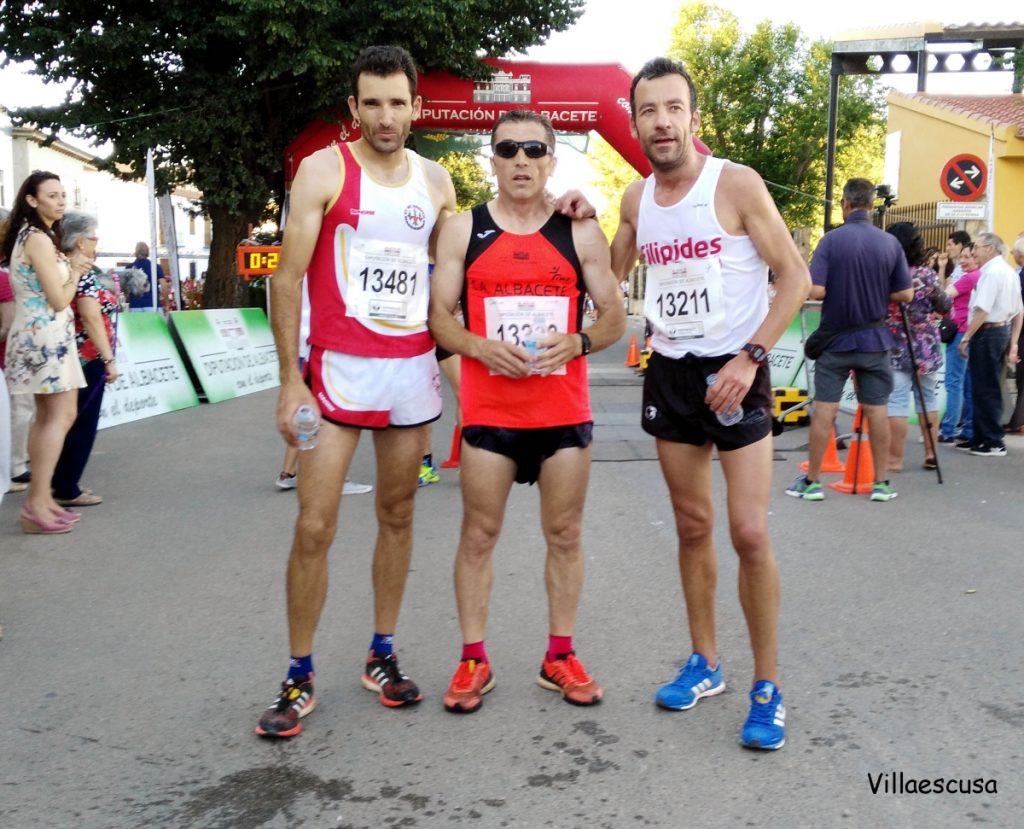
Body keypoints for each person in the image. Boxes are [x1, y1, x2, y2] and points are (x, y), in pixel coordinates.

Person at [254, 45, 458, 738]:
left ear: (417, 108)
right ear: (353, 108)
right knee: (315, 523)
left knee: (398, 513)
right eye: (371, 102)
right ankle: (299, 669)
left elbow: (452, 285)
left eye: (397, 102)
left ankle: (381, 651)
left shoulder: (437, 183)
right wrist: (289, 381)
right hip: (336, 369)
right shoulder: (323, 170)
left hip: (408, 372)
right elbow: (285, 279)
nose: (385, 115)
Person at [610, 58, 811, 750]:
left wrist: (750, 355)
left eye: (673, 108)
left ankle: (767, 684)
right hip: (671, 374)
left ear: (694, 118)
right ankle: (705, 662)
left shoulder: (736, 183)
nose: (661, 121)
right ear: (634, 121)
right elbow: (607, 274)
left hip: (737, 372)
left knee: (748, 531)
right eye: (648, 110)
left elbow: (793, 276)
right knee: (692, 525)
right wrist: (577, 216)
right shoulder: (636, 199)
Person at [430, 109, 626, 714]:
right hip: (491, 415)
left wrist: (581, 342)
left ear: (551, 160)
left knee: (564, 534)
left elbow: (615, 317)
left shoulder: (581, 231)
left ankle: (559, 655)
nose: (521, 161)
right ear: (490, 159)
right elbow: (437, 318)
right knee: (478, 536)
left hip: (561, 413)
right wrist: (479, 346)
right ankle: (472, 660)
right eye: (508, 150)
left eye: (534, 151)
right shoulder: (463, 229)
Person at [788, 177, 912, 502]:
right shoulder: (890, 244)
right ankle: (881, 483)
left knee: (825, 410)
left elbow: (817, 290)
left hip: (836, 342)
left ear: (845, 204)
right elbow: (906, 293)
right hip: (875, 341)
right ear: (872, 205)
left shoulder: (831, 241)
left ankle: (812, 482)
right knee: (877, 411)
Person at [2, 171, 91, 533]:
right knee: (60, 416)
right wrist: (74, 270)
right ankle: (37, 503)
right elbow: (58, 299)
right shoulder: (37, 238)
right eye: (52, 195)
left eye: (62, 194)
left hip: (44, 336)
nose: (60, 201)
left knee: (47, 418)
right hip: (45, 338)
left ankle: (40, 500)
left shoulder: (37, 237)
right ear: (32, 200)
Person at [50, 212, 119, 506]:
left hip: (67, 355)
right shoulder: (85, 274)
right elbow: (91, 316)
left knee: (61, 421)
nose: (96, 243)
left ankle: (58, 481)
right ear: (80, 242)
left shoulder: (59, 266)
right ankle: (67, 487)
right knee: (81, 423)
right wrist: (108, 359)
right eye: (93, 237)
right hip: (87, 357)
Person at [882, 222, 950, 472]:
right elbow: (944, 306)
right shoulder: (926, 274)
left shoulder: (885, 275)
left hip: (895, 345)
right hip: (926, 347)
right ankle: (931, 452)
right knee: (928, 399)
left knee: (897, 401)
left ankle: (894, 459)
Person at [957, 232, 1024, 457]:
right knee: (985, 386)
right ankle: (981, 436)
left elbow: (982, 309)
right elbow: (1018, 310)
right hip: (1000, 331)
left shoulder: (992, 273)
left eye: (976, 247)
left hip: (987, 332)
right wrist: (1013, 342)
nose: (973, 251)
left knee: (985, 388)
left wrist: (967, 337)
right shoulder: (1007, 272)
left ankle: (992, 440)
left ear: (989, 248)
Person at [939, 245, 981, 444]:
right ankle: (968, 428)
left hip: (960, 331)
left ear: (976, 258)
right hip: (970, 331)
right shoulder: (980, 276)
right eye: (962, 257)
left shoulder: (968, 278)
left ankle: (948, 429)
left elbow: (943, 297)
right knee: (967, 383)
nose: (963, 260)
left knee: (954, 382)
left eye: (968, 257)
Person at [1005, 233, 1024, 434]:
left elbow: (1018, 307)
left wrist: (1014, 339)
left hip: (1023, 331)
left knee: (1022, 378)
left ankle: (1019, 421)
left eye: (1014, 252)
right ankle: (1017, 419)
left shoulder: (1021, 276)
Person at [127, 241, 167, 312]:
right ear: (147, 252)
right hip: (153, 305)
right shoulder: (155, 267)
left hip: (135, 306)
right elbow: (164, 285)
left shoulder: (129, 268)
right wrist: (167, 303)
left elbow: (126, 289)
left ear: (136, 252)